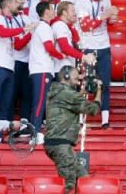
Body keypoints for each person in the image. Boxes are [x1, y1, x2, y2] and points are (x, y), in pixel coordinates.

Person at [0, 0, 39, 144]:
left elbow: (17, 43)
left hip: (9, 65)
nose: (19, 6)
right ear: (9, 4)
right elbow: (2, 33)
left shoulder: (10, 21)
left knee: (5, 103)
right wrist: (24, 29)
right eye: (16, 2)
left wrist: (29, 33)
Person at [45, 65, 103, 193]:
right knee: (69, 186)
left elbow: (68, 102)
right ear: (66, 77)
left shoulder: (55, 91)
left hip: (56, 143)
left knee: (82, 179)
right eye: (76, 79)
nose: (77, 82)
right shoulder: (70, 95)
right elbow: (93, 110)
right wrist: (99, 91)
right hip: (61, 145)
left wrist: (80, 94)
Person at [75, 0, 117, 129]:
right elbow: (85, 26)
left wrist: (112, 18)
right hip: (88, 47)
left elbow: (108, 22)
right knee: (85, 84)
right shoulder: (82, 0)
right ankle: (81, 118)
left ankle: (105, 120)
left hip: (104, 46)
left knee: (105, 84)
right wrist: (104, 16)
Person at [29, 1, 63, 141]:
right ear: (47, 11)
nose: (54, 11)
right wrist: (61, 56)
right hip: (42, 69)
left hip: (41, 69)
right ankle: (35, 133)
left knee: (41, 101)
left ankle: (35, 132)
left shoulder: (42, 26)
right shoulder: (44, 27)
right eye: (52, 9)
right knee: (40, 101)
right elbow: (49, 47)